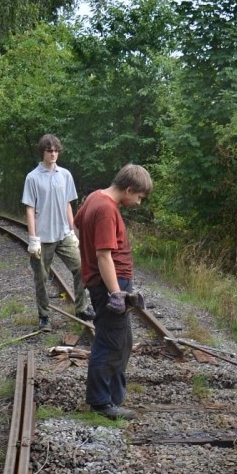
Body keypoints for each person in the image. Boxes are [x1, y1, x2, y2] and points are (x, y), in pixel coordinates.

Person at [74, 164, 152, 420]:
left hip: (106, 282)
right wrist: (116, 293)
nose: (138, 203)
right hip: (110, 283)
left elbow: (76, 224)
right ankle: (101, 403)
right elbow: (104, 256)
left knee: (122, 342)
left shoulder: (95, 197)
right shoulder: (107, 208)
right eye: (139, 197)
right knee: (109, 343)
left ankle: (115, 397)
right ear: (128, 189)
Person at [22, 134, 94, 331]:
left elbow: (68, 204)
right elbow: (29, 209)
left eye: (56, 151)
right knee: (41, 278)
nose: (53, 154)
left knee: (81, 267)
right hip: (43, 238)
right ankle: (44, 316)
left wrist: (73, 231)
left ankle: (82, 308)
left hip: (63, 235)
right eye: (49, 150)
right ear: (43, 152)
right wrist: (33, 239)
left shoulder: (65, 175)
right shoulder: (33, 177)